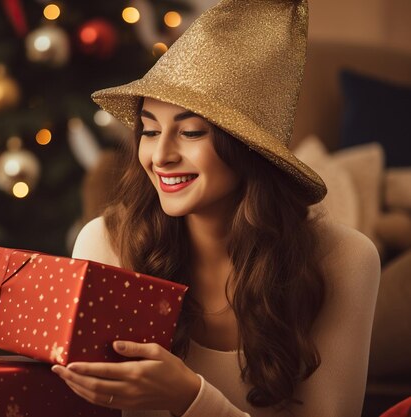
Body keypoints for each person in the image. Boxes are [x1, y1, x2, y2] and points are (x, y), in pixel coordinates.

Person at [50, 0, 381, 416]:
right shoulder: (105, 244)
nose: (160, 156)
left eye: (190, 132)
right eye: (149, 131)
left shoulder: (345, 260)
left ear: (248, 149)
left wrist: (191, 399)